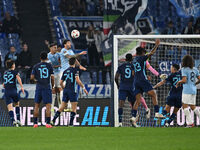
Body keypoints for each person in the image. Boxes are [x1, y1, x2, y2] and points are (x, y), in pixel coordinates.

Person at [131, 39, 164, 127]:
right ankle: (157, 112)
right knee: (153, 94)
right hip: (142, 80)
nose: (144, 53)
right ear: (142, 53)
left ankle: (133, 117)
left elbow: (133, 73)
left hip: (136, 82)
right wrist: (156, 45)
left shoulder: (133, 60)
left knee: (138, 100)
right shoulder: (142, 58)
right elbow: (151, 53)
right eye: (144, 52)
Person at [52, 57, 88, 126]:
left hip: (66, 90)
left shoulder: (65, 71)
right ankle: (71, 124)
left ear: (69, 63)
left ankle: (53, 120)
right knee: (74, 108)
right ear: (74, 63)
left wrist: (64, 88)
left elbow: (61, 82)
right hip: (72, 90)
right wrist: (83, 87)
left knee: (61, 107)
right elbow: (77, 80)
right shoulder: (75, 71)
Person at [60, 39, 87, 111]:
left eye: (70, 43)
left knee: (70, 88)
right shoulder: (63, 50)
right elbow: (70, 57)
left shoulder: (71, 51)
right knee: (63, 88)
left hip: (71, 71)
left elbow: (74, 59)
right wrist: (80, 54)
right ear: (65, 44)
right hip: (64, 72)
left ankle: (69, 106)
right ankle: (63, 105)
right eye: (68, 43)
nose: (70, 44)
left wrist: (80, 65)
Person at [31, 51, 54, 128]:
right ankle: (47, 123)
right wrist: (53, 86)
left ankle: (35, 123)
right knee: (48, 106)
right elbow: (52, 77)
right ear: (47, 58)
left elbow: (31, 78)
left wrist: (36, 81)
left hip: (39, 87)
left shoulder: (36, 66)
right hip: (46, 87)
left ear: (40, 58)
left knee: (36, 105)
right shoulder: (49, 66)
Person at [176, 55, 200, 127]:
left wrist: (179, 82)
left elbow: (184, 80)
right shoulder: (195, 69)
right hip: (193, 90)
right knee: (193, 106)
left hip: (187, 90)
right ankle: (191, 123)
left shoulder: (184, 69)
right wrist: (195, 84)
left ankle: (190, 123)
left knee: (185, 106)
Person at [3, 60, 24, 126]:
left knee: (10, 107)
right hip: (13, 90)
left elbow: (4, 84)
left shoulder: (5, 73)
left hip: (7, 91)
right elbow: (18, 78)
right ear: (12, 65)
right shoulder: (15, 72)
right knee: (17, 104)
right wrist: (22, 87)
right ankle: (18, 120)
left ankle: (13, 121)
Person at [47, 43, 62, 116]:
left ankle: (60, 108)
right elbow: (49, 66)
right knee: (53, 90)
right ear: (51, 48)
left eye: (56, 47)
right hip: (51, 74)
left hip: (58, 73)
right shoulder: (48, 55)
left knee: (59, 89)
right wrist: (56, 66)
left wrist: (57, 65)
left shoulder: (59, 54)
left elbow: (61, 63)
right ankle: (52, 107)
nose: (56, 49)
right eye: (54, 47)